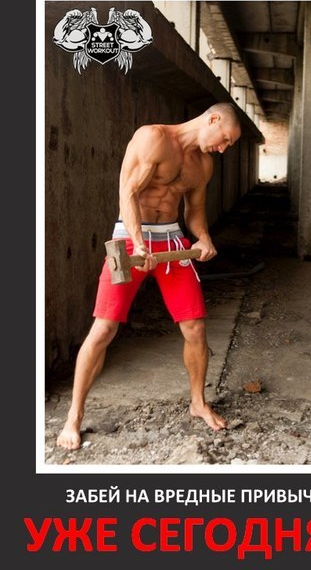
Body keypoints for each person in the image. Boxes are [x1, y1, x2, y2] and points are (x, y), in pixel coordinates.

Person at [56, 102, 242, 450]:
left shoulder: (203, 164)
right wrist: (138, 242)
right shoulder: (153, 138)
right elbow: (128, 191)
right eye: (226, 139)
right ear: (213, 119)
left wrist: (203, 238)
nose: (223, 148)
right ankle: (74, 416)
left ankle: (198, 402)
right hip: (131, 240)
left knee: (195, 327)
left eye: (228, 145)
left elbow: (195, 210)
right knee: (104, 328)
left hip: (172, 242)